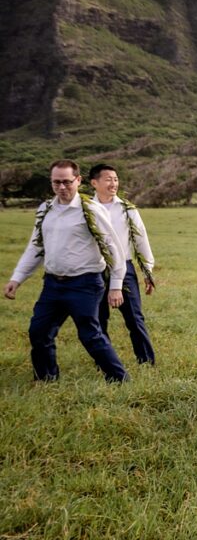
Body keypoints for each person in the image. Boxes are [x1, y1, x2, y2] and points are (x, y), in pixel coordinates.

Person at [3, 159, 129, 382]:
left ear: (78, 181)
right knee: (39, 332)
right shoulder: (46, 209)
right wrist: (17, 278)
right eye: (56, 182)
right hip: (53, 284)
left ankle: (119, 379)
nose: (62, 187)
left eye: (67, 182)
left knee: (90, 335)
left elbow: (114, 248)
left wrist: (116, 286)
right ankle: (46, 379)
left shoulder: (91, 209)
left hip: (85, 284)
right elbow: (36, 246)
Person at [88, 163, 157, 365]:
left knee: (134, 318)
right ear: (94, 183)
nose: (113, 183)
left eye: (116, 179)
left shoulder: (127, 209)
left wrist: (147, 270)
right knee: (98, 319)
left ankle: (146, 361)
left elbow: (141, 239)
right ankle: (105, 362)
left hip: (124, 268)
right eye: (108, 179)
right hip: (95, 269)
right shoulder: (86, 209)